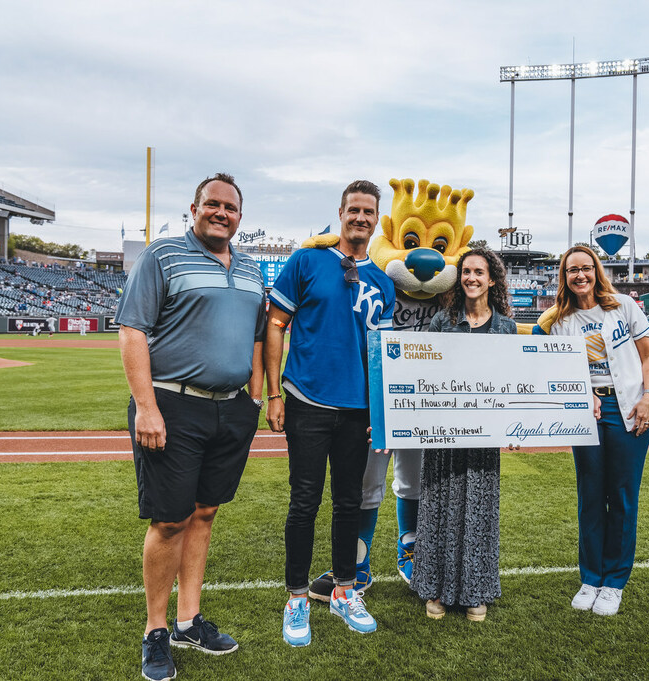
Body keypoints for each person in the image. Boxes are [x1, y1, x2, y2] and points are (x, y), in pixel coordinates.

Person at [117, 173, 266, 680]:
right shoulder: (161, 257)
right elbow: (133, 330)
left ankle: (188, 619)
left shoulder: (250, 269)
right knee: (170, 520)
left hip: (230, 408)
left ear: (240, 216)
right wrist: (146, 406)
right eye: (213, 204)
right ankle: (155, 631)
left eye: (231, 207)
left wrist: (255, 396)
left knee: (205, 513)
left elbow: (258, 337)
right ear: (194, 208)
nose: (222, 213)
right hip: (173, 405)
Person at [265, 180, 396, 647]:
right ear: (341, 213)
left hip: (357, 409)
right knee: (304, 501)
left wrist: (379, 414)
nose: (361, 218)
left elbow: (382, 355)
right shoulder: (306, 260)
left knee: (348, 502)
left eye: (369, 212)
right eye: (354, 210)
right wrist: (275, 393)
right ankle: (297, 597)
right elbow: (276, 324)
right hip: (307, 400)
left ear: (376, 219)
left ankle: (344, 589)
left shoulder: (383, 282)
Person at [545, 245, 649, 617]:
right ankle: (590, 578)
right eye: (571, 270)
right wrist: (583, 393)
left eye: (586, 268)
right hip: (586, 412)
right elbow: (555, 361)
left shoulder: (624, 305)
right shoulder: (560, 320)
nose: (580, 275)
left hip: (630, 408)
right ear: (564, 277)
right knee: (591, 496)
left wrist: (648, 396)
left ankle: (614, 584)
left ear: (597, 271)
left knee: (623, 497)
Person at [414, 248, 516, 622]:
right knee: (440, 508)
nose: (471, 278)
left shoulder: (506, 327)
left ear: (492, 280)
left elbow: (513, 382)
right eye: (466, 272)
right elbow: (424, 375)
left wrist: (515, 424)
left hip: (483, 440)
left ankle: (475, 591)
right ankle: (437, 590)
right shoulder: (442, 321)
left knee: (478, 511)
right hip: (444, 438)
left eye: (479, 272)